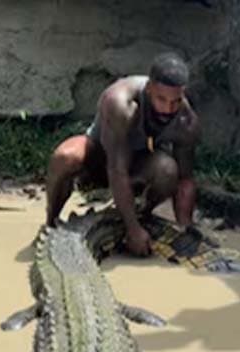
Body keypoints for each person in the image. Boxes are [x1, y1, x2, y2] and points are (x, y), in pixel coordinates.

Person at [44, 52, 201, 257]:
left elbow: (185, 180)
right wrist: (132, 229)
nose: (168, 109)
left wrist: (185, 230)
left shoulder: (186, 121)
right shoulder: (120, 102)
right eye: (161, 99)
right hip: (100, 156)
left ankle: (141, 215)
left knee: (168, 169)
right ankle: (50, 223)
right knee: (65, 157)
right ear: (149, 88)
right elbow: (116, 168)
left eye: (175, 101)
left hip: (140, 163)